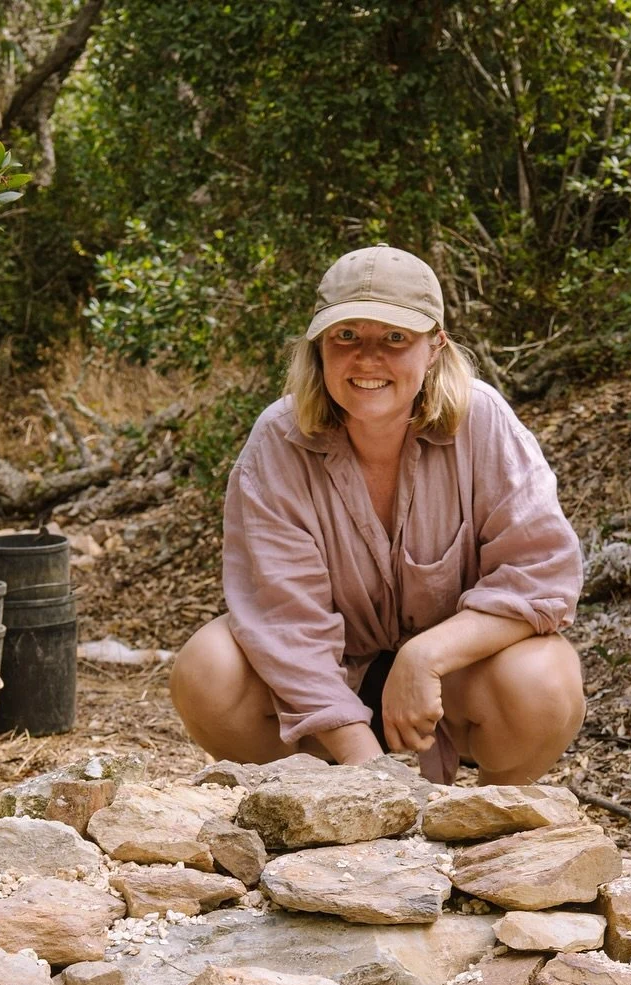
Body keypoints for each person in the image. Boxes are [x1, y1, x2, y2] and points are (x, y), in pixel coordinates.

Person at [170, 245, 585, 785]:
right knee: (208, 670)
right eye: (346, 336)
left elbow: (542, 575)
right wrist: (371, 780)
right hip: (326, 679)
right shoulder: (277, 441)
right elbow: (284, 623)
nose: (367, 359)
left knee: (547, 680)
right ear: (319, 347)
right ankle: (308, 800)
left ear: (434, 346)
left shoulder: (483, 421)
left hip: (457, 681)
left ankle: (491, 814)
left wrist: (426, 655)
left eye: (394, 338)